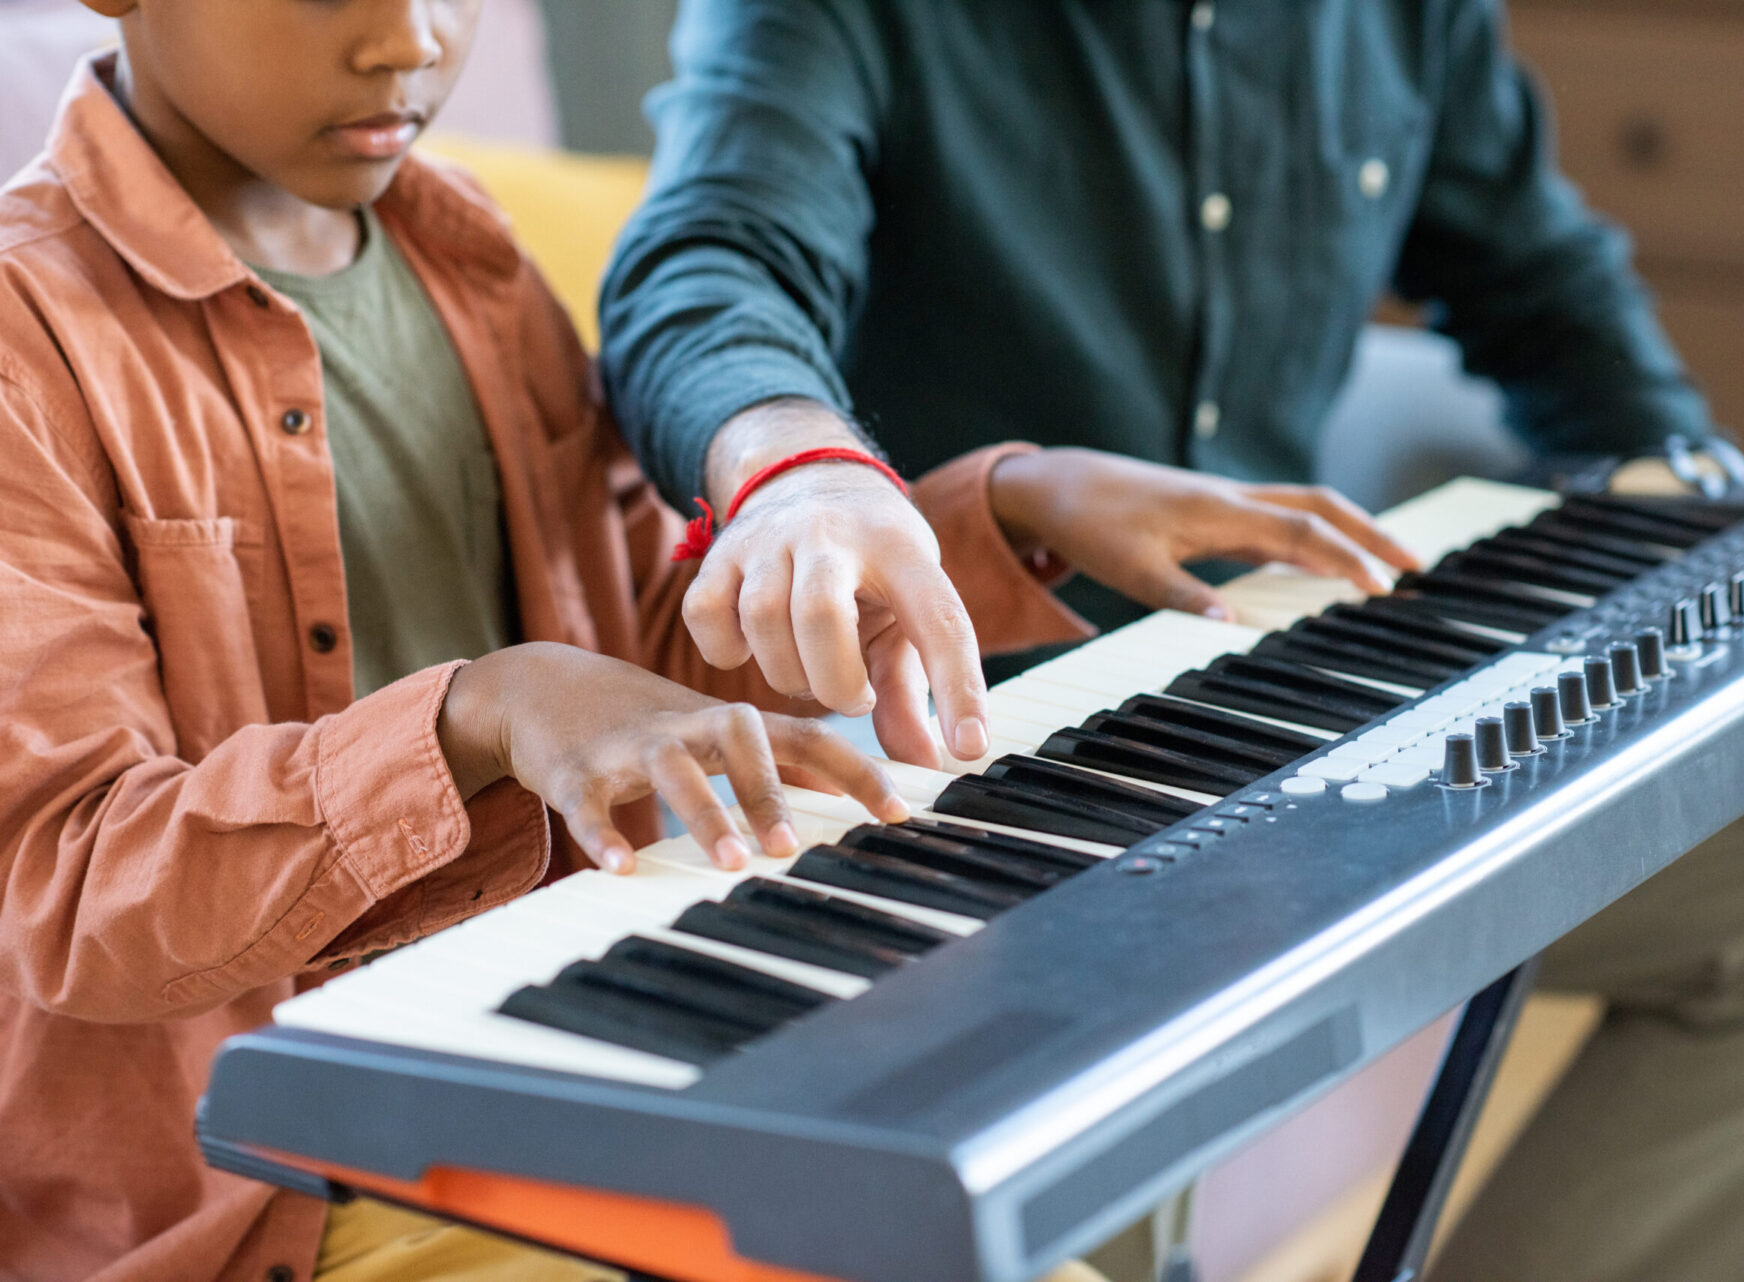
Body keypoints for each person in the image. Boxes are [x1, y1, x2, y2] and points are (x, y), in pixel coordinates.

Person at [0, 2, 1423, 1279]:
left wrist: (1003, 510)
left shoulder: (467, 252)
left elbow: (643, 675)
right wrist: (482, 710)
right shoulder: (28, 342)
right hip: (278, 1196)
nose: (410, 39)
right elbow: (67, 891)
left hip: (584, 1070)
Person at [598, 3, 1744, 1280]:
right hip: (966, 775)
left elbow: (1545, 287)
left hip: (1297, 711)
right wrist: (800, 464)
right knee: (1043, 1143)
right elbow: (710, 255)